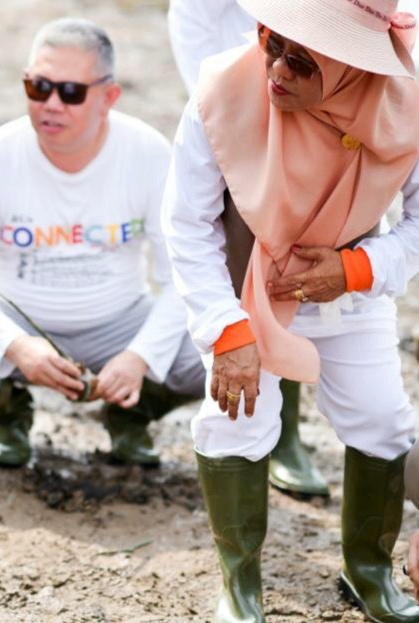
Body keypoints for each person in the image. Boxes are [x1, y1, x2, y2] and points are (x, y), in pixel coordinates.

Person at [162, 0, 419, 619]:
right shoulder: (222, 89)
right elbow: (186, 226)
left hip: (347, 284)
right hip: (245, 285)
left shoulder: (405, 106)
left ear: (353, 67)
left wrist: (357, 269)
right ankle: (239, 584)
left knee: (381, 420)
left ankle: (367, 571)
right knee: (237, 422)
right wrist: (225, 329)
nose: (275, 67)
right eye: (269, 40)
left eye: (301, 60)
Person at [0, 18, 205, 470]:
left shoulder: (149, 153)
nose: (51, 104)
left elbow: (187, 276)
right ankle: (9, 412)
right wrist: (16, 345)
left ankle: (133, 411)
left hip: (118, 321)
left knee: (215, 346)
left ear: (109, 97)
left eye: (70, 92)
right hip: (19, 318)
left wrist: (140, 357)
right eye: (38, 87)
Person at [167, 0, 330, 498]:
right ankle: (265, 420)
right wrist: (224, 100)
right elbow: (192, 13)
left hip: (332, 86)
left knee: (314, 247)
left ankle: (289, 427)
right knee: (243, 256)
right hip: (246, 87)